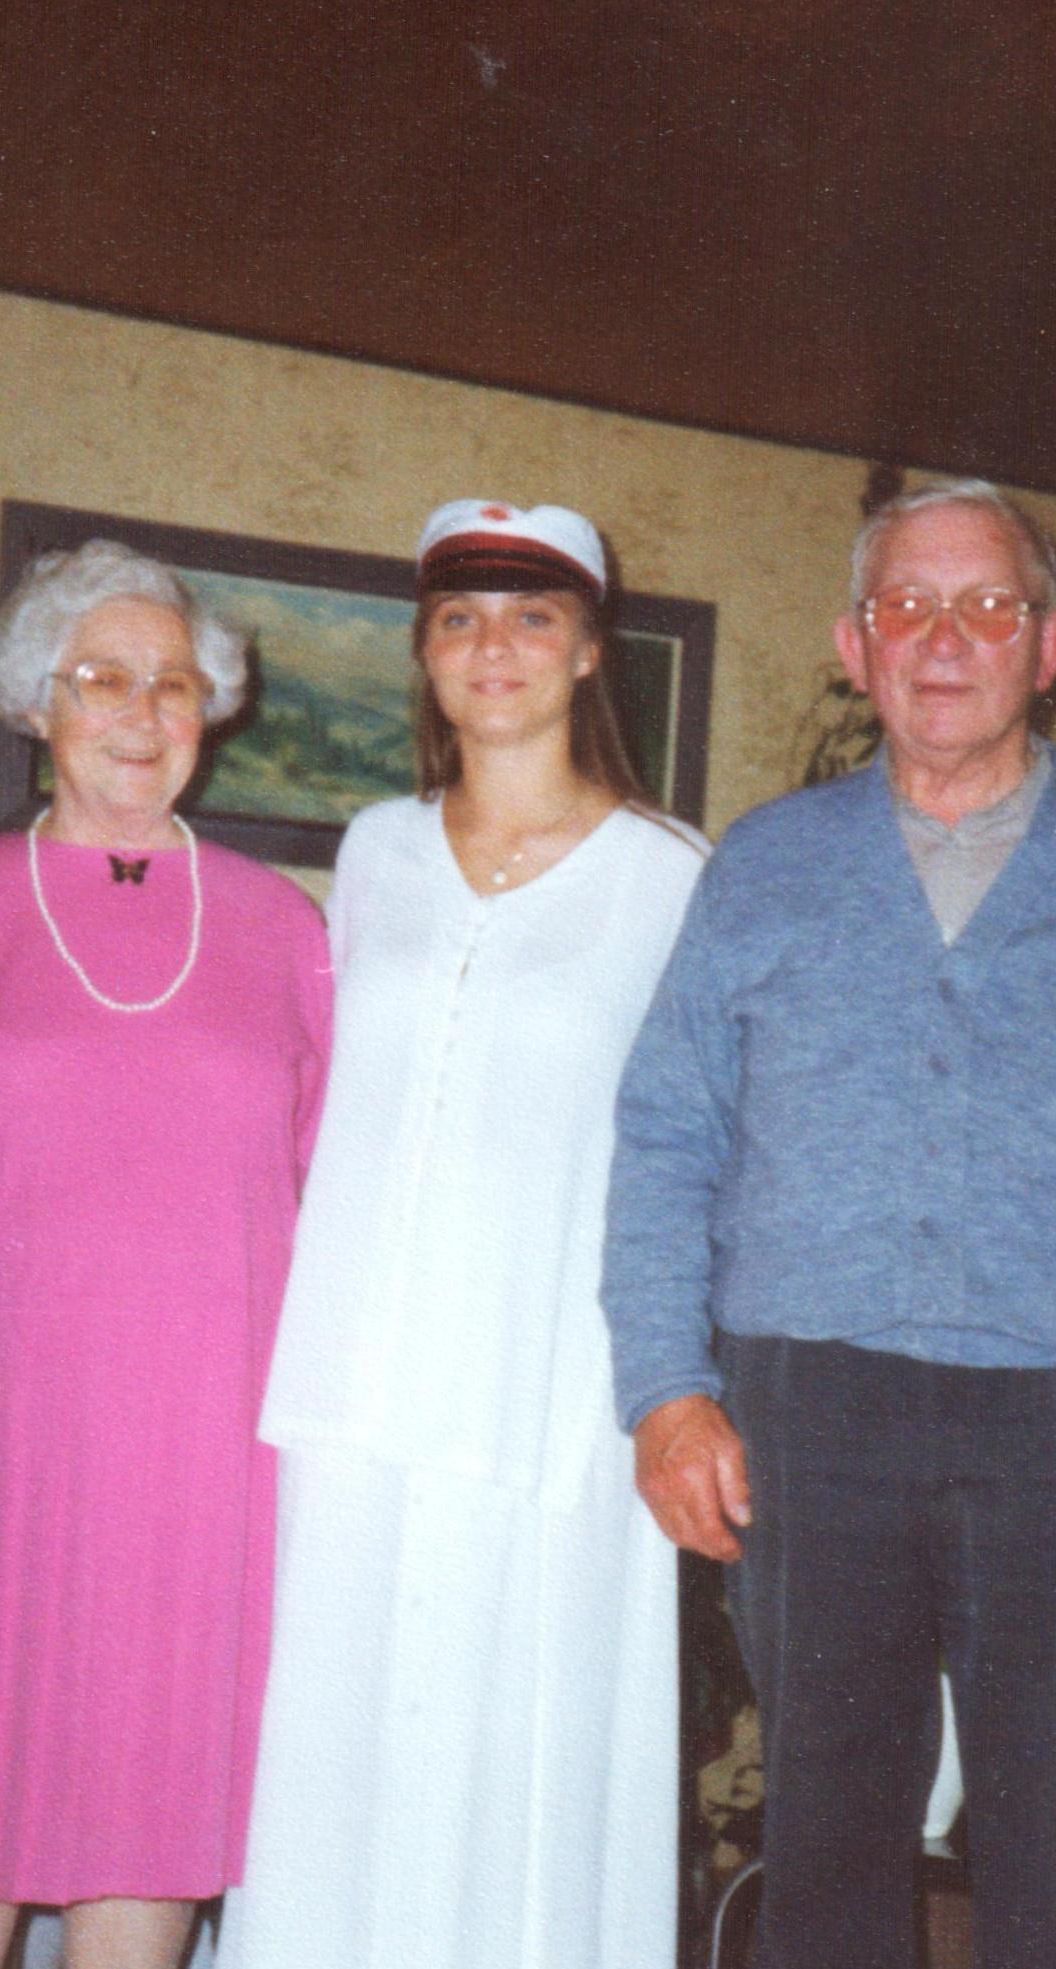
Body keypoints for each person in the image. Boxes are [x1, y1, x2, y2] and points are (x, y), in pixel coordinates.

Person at [604, 479, 1056, 1969]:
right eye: (906, 607)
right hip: (810, 1409)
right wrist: (667, 1392)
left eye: (987, 605)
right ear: (853, 647)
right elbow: (666, 1141)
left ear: (1049, 645)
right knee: (825, 1862)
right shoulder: (762, 867)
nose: (944, 639)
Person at [0, 540, 331, 1969]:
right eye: (103, 677)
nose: (143, 712)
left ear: (211, 711)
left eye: (175, 683)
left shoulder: (287, 932)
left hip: (200, 1456)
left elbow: (326, 1200)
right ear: (37, 701)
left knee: (147, 1823)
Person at [221, 501, 703, 1969]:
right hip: (353, 1390)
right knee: (335, 1760)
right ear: (425, 655)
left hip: (547, 1394)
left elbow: (697, 1153)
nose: (495, 646)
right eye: (459, 619)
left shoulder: (672, 874)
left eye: (533, 616)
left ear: (590, 651)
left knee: (522, 1767)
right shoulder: (373, 850)